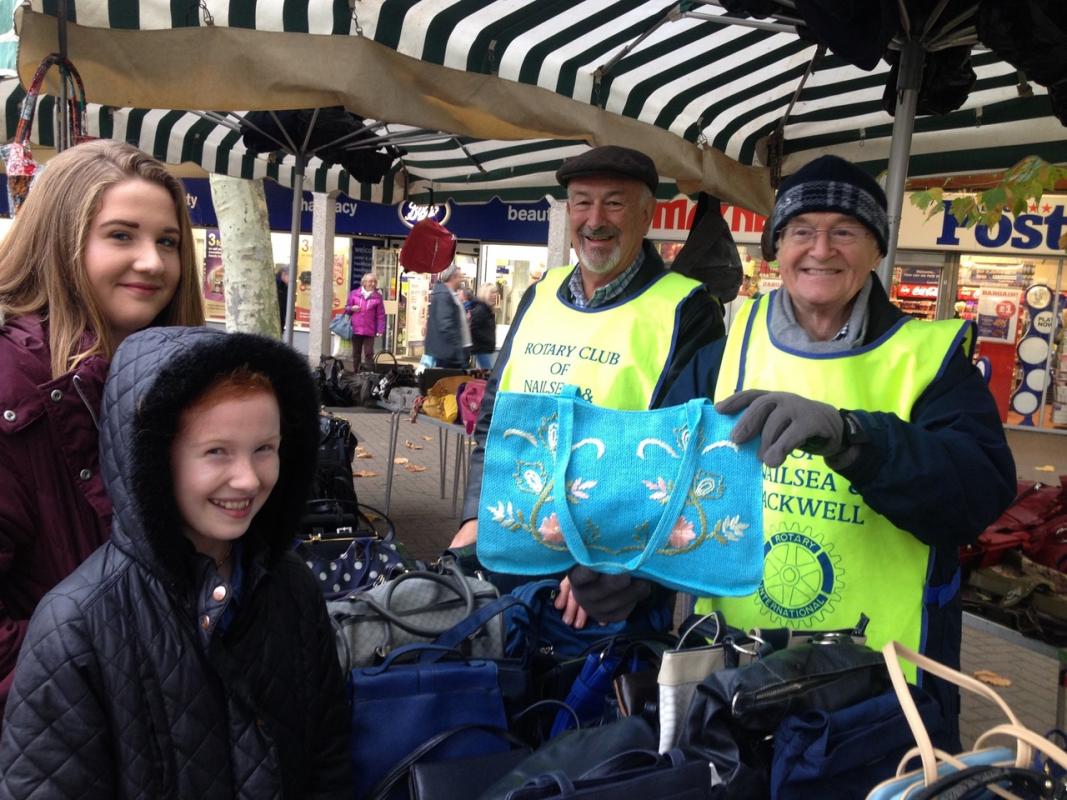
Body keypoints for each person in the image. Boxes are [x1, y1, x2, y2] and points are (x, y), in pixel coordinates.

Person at [664, 154, 1014, 747]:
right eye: (801, 231)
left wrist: (855, 439)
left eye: (844, 232)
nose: (820, 249)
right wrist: (611, 570)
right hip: (735, 674)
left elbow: (976, 494)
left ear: (876, 249)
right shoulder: (725, 348)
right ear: (777, 248)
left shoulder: (928, 358)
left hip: (882, 693)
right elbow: (662, 472)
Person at [0, 326, 352, 797]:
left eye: (264, 449)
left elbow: (327, 759)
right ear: (151, 459)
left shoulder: (293, 589)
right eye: (216, 452)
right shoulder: (77, 627)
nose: (247, 479)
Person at [450, 145, 726, 628]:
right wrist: (475, 516)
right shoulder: (541, 294)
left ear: (647, 215)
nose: (595, 219)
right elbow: (495, 417)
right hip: (510, 556)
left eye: (614, 203)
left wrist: (611, 566)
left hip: (607, 587)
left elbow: (691, 456)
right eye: (582, 202)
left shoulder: (687, 309)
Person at [0, 139, 204, 722]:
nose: (153, 262)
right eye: (121, 235)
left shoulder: (164, 378)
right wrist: (105, 685)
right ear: (60, 240)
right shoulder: (16, 383)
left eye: (167, 241)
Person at [424, 263, 471, 368]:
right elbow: (445, 325)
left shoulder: (449, 294)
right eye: (459, 277)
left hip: (453, 353)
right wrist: (457, 351)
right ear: (453, 277)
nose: (461, 280)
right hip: (450, 355)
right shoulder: (444, 296)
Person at [344, 272, 386, 370]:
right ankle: (356, 373)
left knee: (369, 353)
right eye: (370, 281)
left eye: (374, 281)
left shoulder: (377, 297)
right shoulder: (354, 294)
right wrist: (352, 308)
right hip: (356, 328)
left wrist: (380, 329)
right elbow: (346, 309)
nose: (373, 284)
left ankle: (368, 375)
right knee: (356, 353)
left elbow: (380, 315)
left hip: (370, 329)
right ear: (364, 282)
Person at [465, 283, 498, 370]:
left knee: (487, 376)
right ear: (485, 294)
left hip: (486, 350)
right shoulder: (481, 310)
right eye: (492, 293)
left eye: (495, 292)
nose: (495, 295)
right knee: (487, 377)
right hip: (482, 350)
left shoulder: (488, 310)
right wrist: (487, 339)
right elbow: (473, 328)